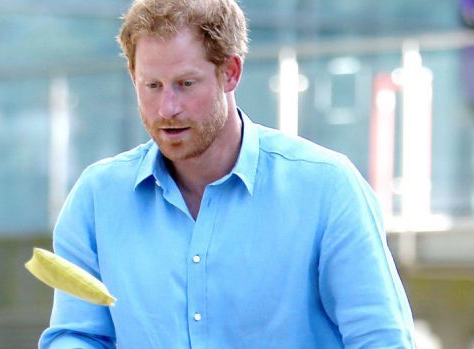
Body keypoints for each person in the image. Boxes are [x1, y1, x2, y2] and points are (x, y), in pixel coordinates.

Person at [39, 0, 415, 347]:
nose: (167, 108)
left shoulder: (327, 187)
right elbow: (77, 334)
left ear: (230, 72)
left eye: (186, 84)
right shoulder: (96, 198)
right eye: (152, 86)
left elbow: (380, 339)